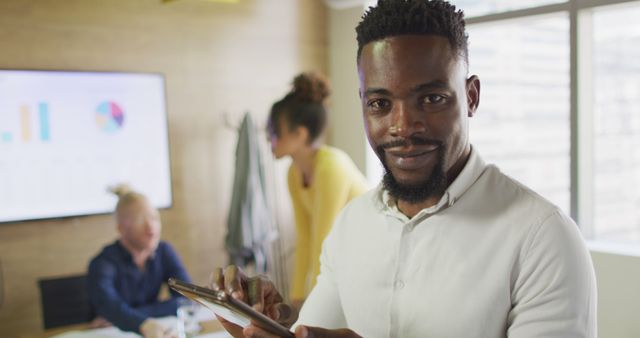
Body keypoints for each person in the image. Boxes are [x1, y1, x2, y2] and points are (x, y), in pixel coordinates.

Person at [211, 1, 597, 337]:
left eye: (431, 98)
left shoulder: (543, 239)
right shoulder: (351, 226)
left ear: (471, 97)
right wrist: (266, 325)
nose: (402, 126)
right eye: (380, 103)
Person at [267, 72, 369, 307]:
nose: (269, 139)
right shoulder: (293, 174)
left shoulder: (331, 167)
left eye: (274, 131)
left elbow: (323, 242)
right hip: (345, 258)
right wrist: (295, 299)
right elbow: (304, 239)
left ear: (300, 134)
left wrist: (311, 305)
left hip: (369, 255)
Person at [87, 185, 191, 338]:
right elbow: (108, 307)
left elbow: (186, 299)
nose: (151, 227)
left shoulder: (164, 251)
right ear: (121, 228)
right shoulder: (102, 262)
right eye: (140, 219)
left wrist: (130, 316)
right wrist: (139, 320)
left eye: (154, 217)